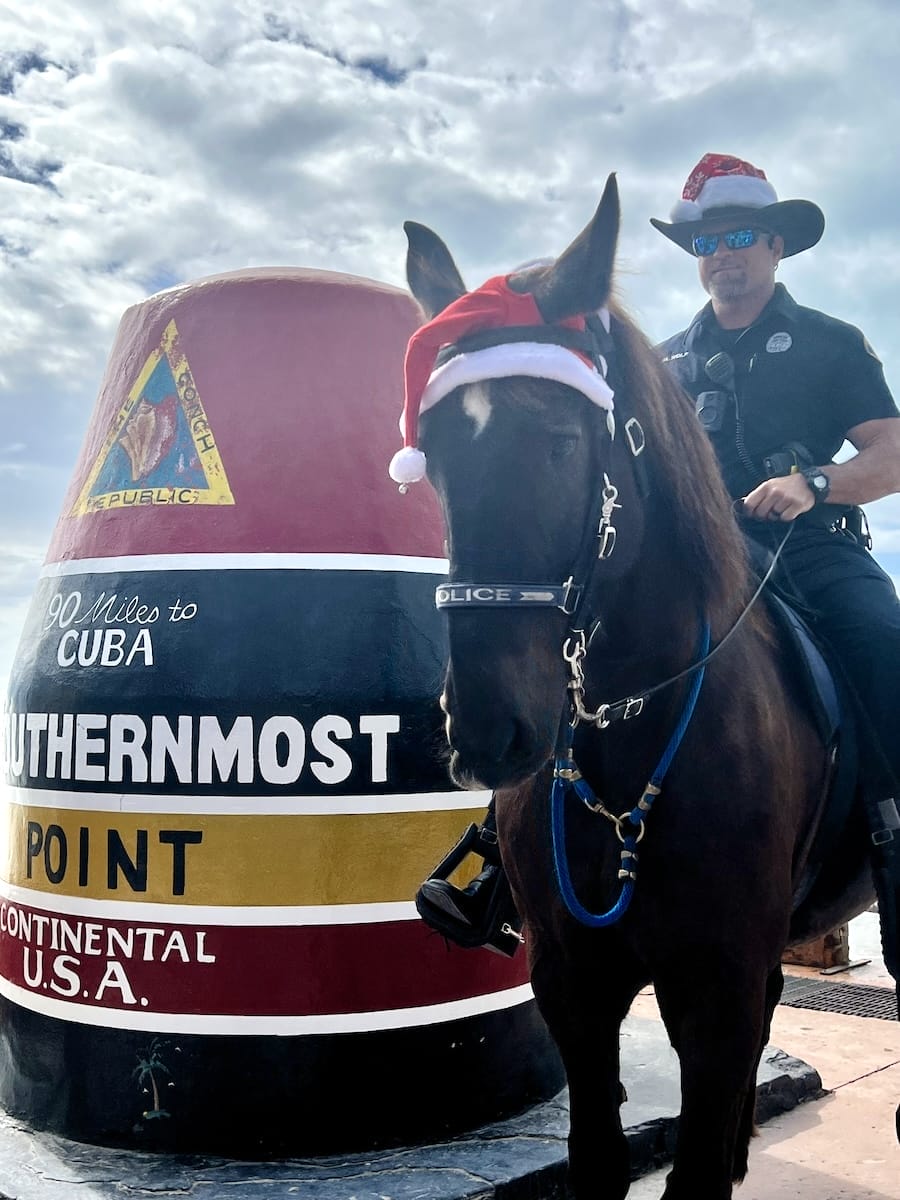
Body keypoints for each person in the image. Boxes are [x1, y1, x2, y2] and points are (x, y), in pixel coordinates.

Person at [417, 153, 900, 965]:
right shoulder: (663, 358)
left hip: (808, 547)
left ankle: (890, 843)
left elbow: (891, 452)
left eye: (741, 237)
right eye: (707, 241)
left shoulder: (830, 343)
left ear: (776, 246)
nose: (724, 255)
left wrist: (815, 482)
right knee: (575, 644)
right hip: (698, 559)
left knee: (886, 650)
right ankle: (505, 857)